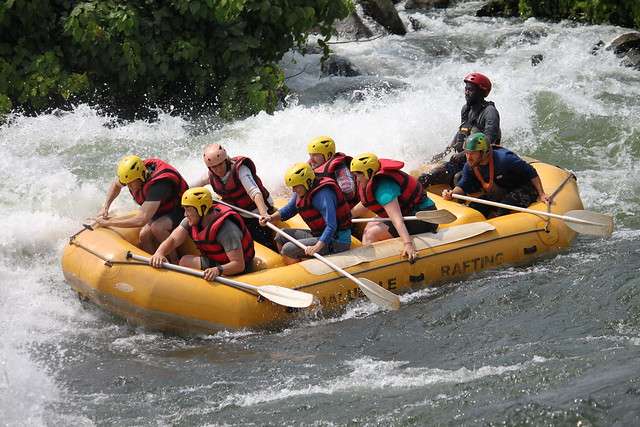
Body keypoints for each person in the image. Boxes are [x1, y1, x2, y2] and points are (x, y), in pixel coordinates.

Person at [150, 187, 255, 280]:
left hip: (237, 269)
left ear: (202, 209)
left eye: (188, 210)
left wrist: (218, 270)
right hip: (217, 261)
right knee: (185, 261)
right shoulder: (190, 220)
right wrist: (159, 253)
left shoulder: (227, 230)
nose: (185, 214)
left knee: (184, 262)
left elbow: (239, 265)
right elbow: (173, 240)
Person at [350, 152, 437, 263]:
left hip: (423, 216)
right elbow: (366, 203)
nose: (356, 180)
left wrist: (408, 244)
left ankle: (375, 267)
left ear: (369, 172)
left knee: (371, 234)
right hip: (409, 212)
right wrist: (347, 216)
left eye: (358, 175)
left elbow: (397, 220)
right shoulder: (372, 182)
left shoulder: (384, 188)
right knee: (370, 225)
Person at [96, 155, 188, 260]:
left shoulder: (159, 184)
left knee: (158, 228)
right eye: (127, 183)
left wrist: (109, 222)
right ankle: (151, 263)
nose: (128, 186)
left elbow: (141, 220)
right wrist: (106, 206)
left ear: (141, 176)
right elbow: (116, 185)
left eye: (131, 183)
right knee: (144, 236)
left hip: (180, 209)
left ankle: (174, 260)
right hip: (160, 208)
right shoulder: (132, 175)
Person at [259, 163, 352, 264]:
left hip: (336, 240)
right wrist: (270, 218)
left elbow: (331, 226)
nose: (293, 190)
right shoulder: (302, 190)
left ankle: (300, 270)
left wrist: (317, 247)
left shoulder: (323, 195)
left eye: (296, 186)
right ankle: (290, 266)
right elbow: (290, 209)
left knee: (288, 248)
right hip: (319, 234)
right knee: (280, 236)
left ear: (307, 182)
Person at [420, 72, 501, 187]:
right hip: (465, 159)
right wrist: (445, 152)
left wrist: (463, 154)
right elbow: (462, 132)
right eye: (466, 89)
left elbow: (490, 140)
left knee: (457, 178)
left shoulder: (490, 112)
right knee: (425, 177)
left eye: (471, 90)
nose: (467, 92)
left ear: (481, 92)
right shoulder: (466, 109)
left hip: (481, 161)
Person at [442, 132, 550, 218]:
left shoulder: (505, 159)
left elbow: (531, 171)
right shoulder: (470, 165)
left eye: (472, 153)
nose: (468, 157)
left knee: (503, 209)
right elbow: (463, 185)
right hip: (501, 189)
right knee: (474, 207)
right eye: (467, 152)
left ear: (484, 152)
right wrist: (451, 193)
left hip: (523, 188)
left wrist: (541, 193)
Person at [191, 143, 276, 250]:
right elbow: (190, 187)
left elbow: (255, 192)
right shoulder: (210, 175)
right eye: (213, 167)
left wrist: (264, 213)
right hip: (238, 212)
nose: (217, 169)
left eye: (220, 165)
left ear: (226, 161)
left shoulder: (241, 170)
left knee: (260, 237)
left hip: (256, 212)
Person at [307, 136, 358, 204]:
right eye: (310, 155)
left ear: (329, 155)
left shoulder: (339, 167)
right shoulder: (312, 164)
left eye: (315, 155)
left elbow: (349, 193)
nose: (311, 160)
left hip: (344, 207)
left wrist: (328, 197)